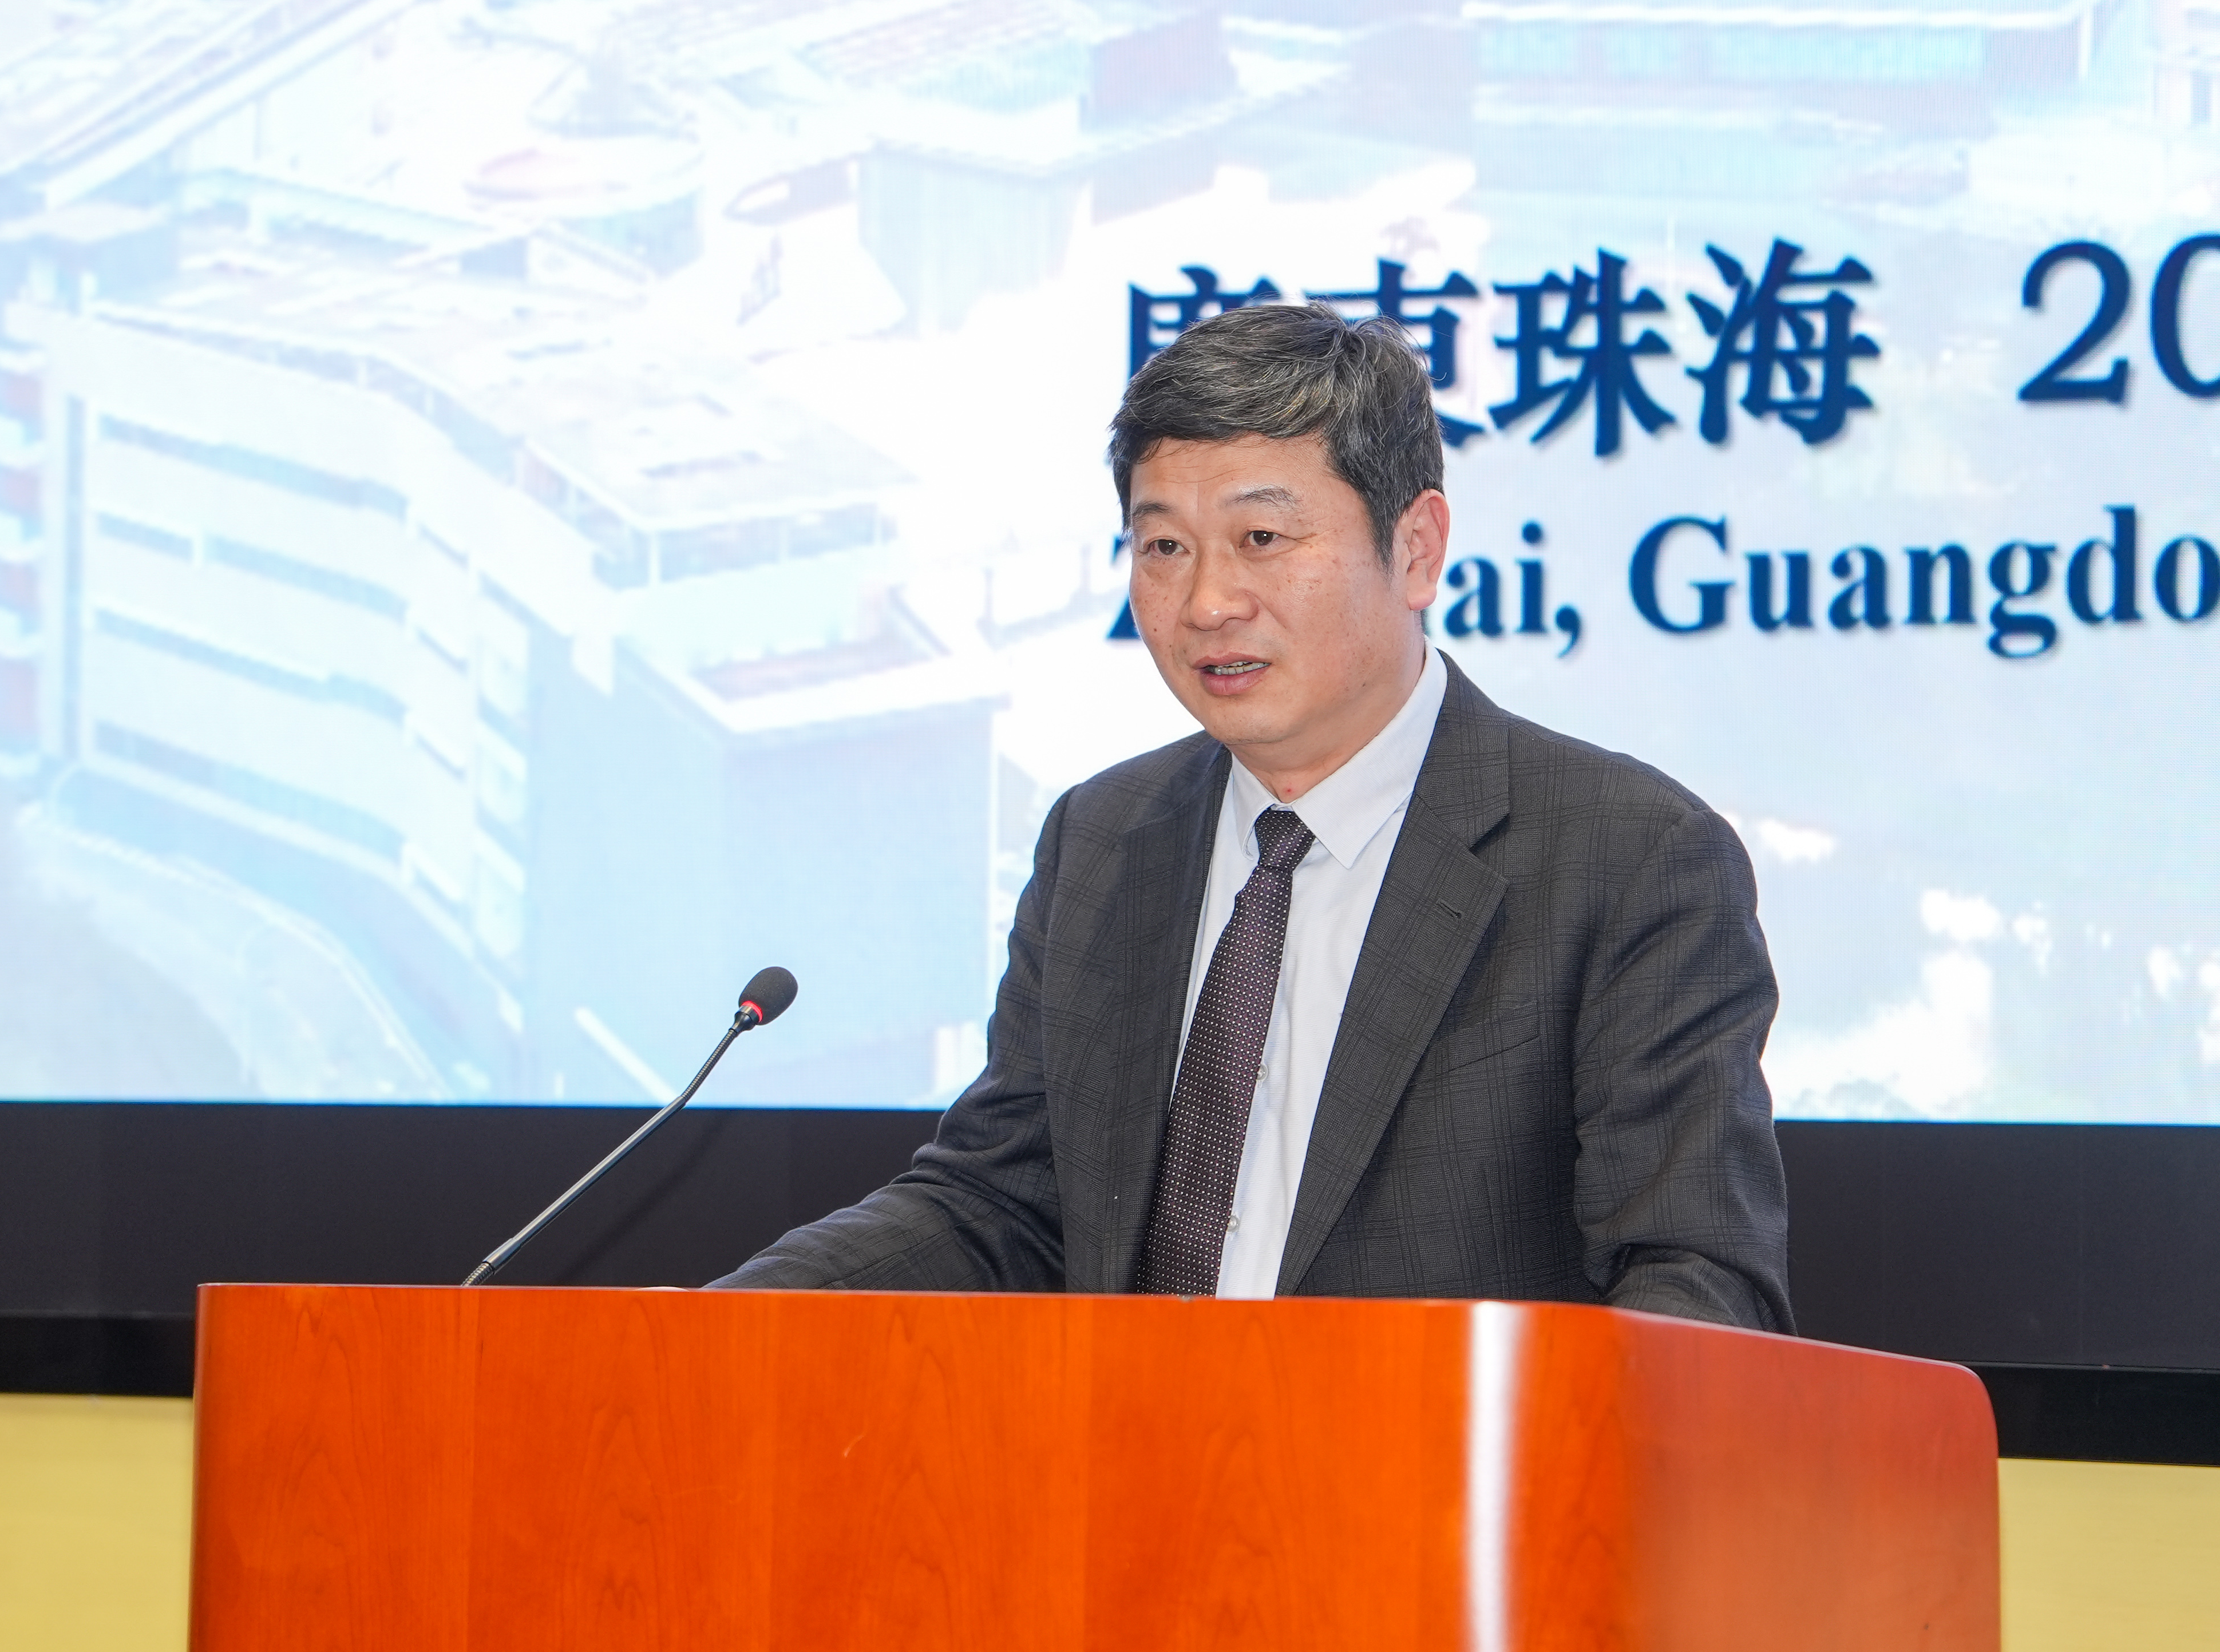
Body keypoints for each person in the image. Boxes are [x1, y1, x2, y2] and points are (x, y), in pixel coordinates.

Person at [715, 303, 1791, 1328]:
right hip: (1125, 1454)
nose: (1207, 603)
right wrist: (703, 1327)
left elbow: (1695, 1281)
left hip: (1435, 1462)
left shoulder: (1626, 860)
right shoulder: (1103, 840)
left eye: (1262, 538)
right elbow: (1000, 1206)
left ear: (1416, 548)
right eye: (1164, 548)